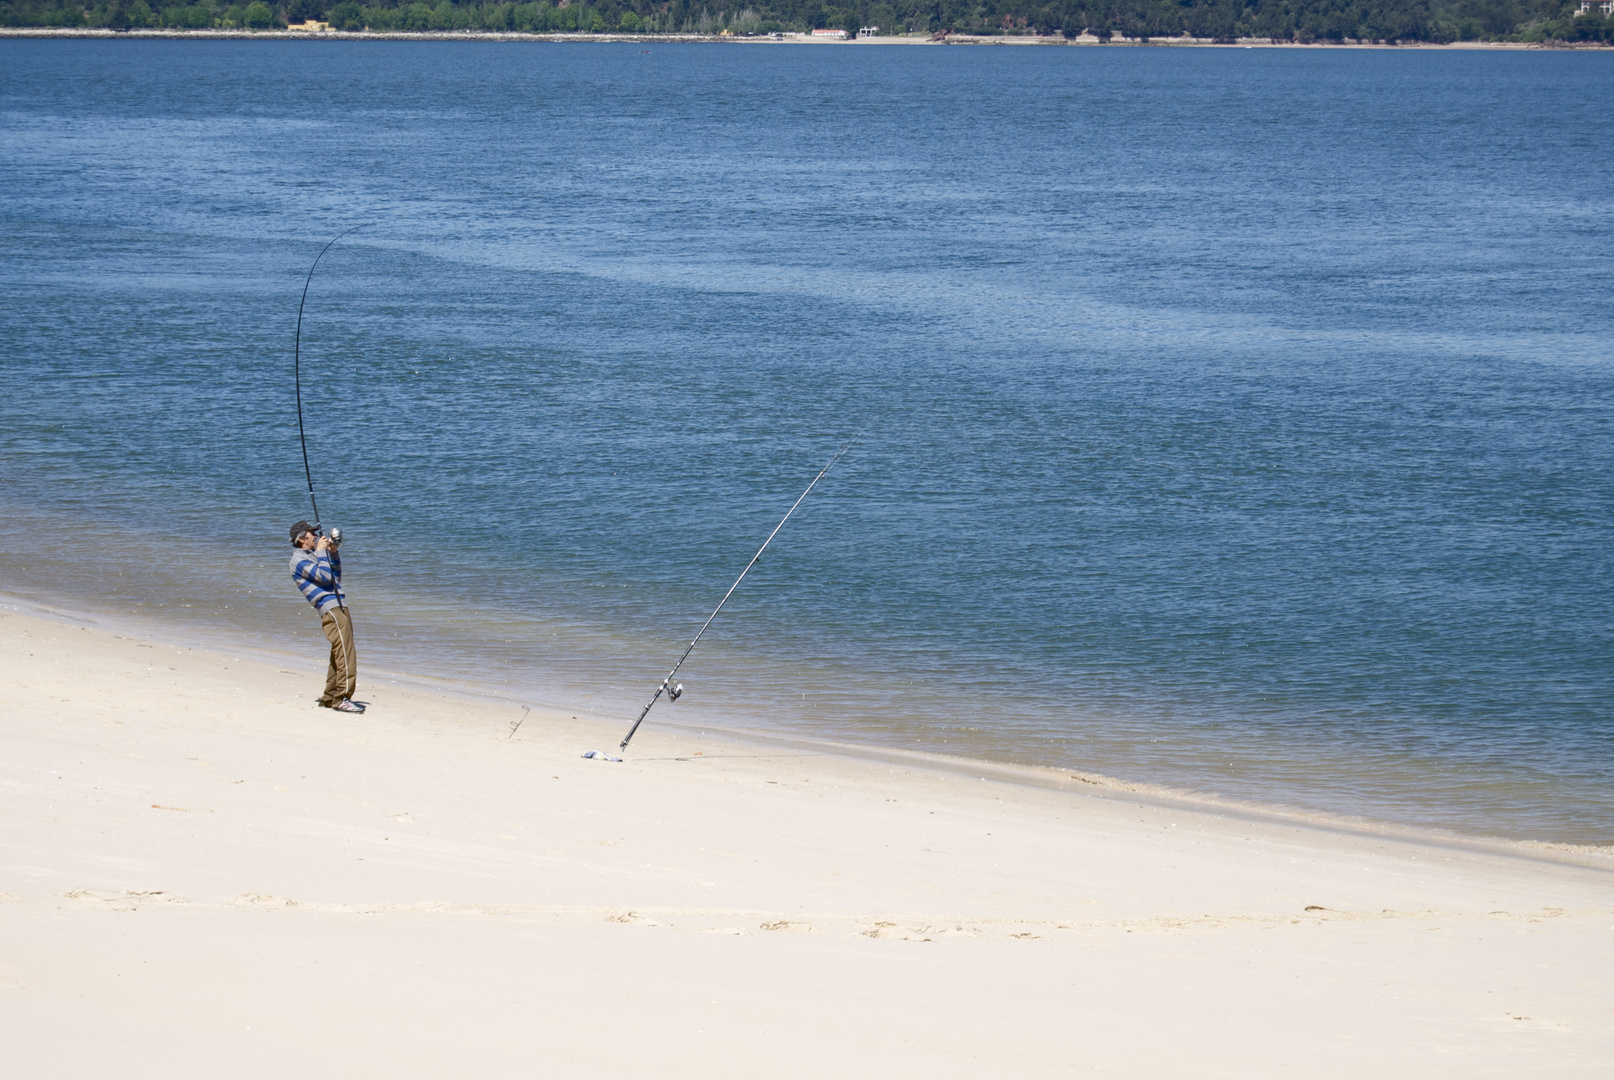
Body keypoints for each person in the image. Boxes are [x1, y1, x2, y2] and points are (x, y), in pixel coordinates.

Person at [289, 520, 363, 713]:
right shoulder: (298, 560)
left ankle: (330, 696)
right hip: (329, 608)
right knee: (346, 653)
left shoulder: (315, 556)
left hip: (340, 604)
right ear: (301, 539)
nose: (315, 536)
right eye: (311, 534)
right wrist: (322, 552)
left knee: (338, 652)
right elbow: (324, 577)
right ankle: (343, 697)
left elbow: (336, 576)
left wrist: (333, 552)